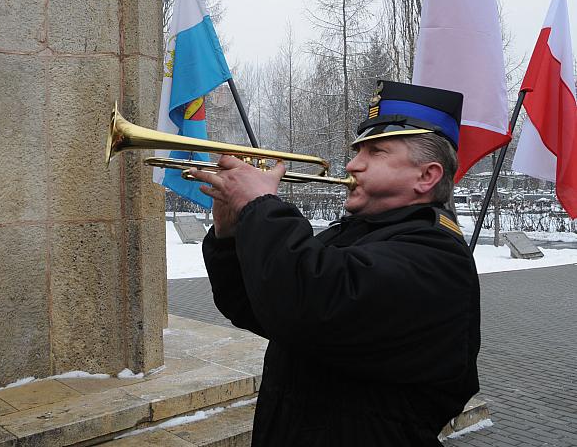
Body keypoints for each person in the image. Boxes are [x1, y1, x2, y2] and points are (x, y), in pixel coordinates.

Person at [193, 80, 480, 446]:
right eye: (357, 151)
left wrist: (261, 206)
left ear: (427, 176)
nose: (351, 164)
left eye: (375, 153)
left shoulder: (436, 256)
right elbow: (259, 307)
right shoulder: (358, 232)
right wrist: (230, 234)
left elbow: (308, 302)